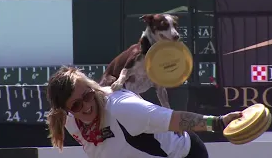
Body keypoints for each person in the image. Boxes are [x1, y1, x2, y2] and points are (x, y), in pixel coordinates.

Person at [46, 66, 242, 158]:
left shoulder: (123, 108)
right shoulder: (69, 122)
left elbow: (175, 119)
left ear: (93, 89)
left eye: (88, 96)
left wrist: (218, 122)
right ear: (66, 110)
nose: (86, 107)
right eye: (76, 106)